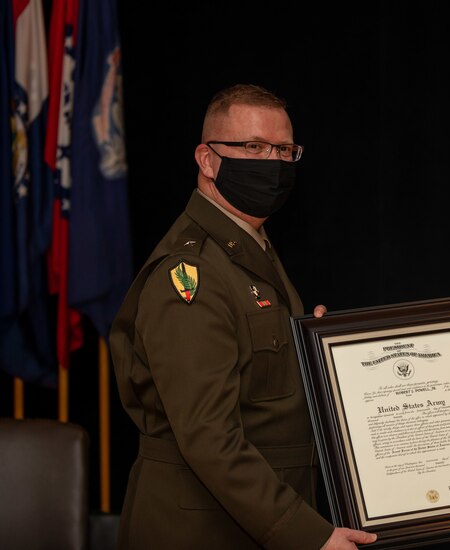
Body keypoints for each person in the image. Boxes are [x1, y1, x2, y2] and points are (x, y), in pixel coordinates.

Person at [109, 84, 377, 550]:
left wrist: (316, 349)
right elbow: (210, 438)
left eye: (284, 150)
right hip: (200, 529)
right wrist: (308, 535)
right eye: (252, 147)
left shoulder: (250, 253)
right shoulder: (189, 273)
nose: (272, 162)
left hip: (249, 520)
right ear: (207, 159)